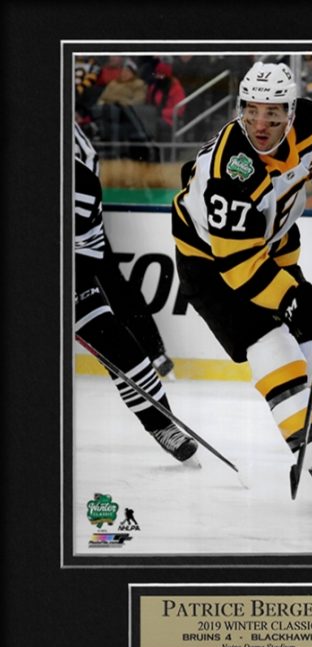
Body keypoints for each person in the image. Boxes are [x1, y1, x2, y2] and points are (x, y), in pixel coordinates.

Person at [172, 62, 312, 503]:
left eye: (273, 115)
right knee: (272, 346)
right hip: (212, 266)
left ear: (291, 113)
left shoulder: (309, 124)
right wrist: (299, 302)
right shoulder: (230, 171)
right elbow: (240, 266)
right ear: (240, 109)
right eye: (252, 111)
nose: (260, 125)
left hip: (271, 245)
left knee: (311, 348)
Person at [73, 124, 197, 463]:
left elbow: (89, 253)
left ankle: (163, 424)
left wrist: (68, 286)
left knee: (115, 340)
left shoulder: (82, 182)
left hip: (66, 274)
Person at [74, 122, 174, 377]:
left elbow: (88, 157)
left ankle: (153, 351)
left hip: (84, 231)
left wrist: (81, 210)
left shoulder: (58, 122)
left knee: (113, 284)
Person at [146, 61, 186, 141]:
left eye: (161, 75)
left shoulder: (176, 89)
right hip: (152, 117)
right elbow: (149, 103)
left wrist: (161, 112)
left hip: (170, 121)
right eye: (157, 74)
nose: (158, 77)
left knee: (154, 124)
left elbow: (179, 110)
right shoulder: (153, 88)